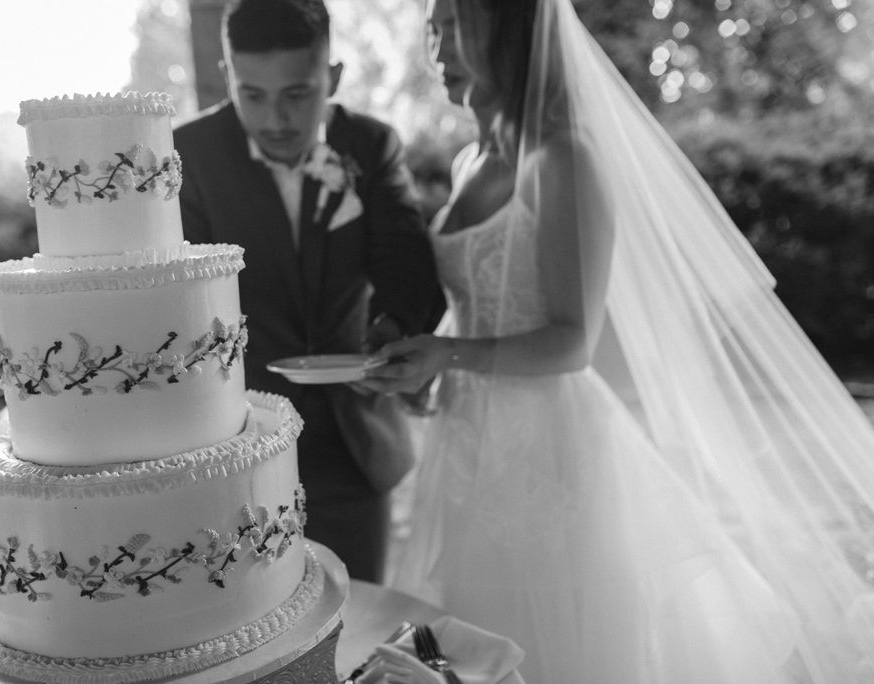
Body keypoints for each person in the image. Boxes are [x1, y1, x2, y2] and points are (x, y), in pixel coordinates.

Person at [360, 0, 874, 681]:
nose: (437, 48)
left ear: (507, 32)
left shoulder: (564, 159)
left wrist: (449, 354)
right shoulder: (467, 162)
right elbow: (478, 309)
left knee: (557, 641)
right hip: (464, 444)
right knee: (476, 637)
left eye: (456, 27)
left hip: (547, 452)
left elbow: (572, 341)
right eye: (433, 27)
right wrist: (422, 366)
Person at [174, 0, 444, 583]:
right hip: (236, 448)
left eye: (297, 94)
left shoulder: (370, 146)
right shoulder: (186, 157)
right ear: (227, 78)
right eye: (253, 94)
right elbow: (180, 298)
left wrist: (396, 330)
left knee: (359, 620)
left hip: (352, 443)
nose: (275, 118)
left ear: (334, 79)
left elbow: (406, 259)